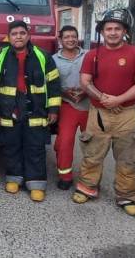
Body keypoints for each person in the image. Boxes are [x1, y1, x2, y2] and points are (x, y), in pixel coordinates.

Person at [75, 10, 135, 217]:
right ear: (102, 32)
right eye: (108, 28)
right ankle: (87, 188)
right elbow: (85, 81)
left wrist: (119, 99)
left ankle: (127, 196)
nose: (113, 32)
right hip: (99, 112)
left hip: (127, 113)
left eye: (117, 28)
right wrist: (104, 99)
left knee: (128, 156)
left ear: (125, 31)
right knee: (93, 153)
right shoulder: (92, 55)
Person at [0, 20, 62, 202]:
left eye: (22, 33)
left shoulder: (43, 56)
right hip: (8, 110)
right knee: (11, 146)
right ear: (9, 37)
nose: (18, 36)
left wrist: (53, 109)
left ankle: (36, 183)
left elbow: (54, 85)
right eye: (14, 34)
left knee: (35, 147)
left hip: (35, 109)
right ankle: (14, 178)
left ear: (28, 35)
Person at [51, 25, 90, 190]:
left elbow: (98, 77)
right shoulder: (53, 59)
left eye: (73, 36)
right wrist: (64, 94)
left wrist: (86, 92)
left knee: (93, 144)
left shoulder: (89, 56)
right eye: (66, 37)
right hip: (67, 106)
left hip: (90, 105)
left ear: (77, 38)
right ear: (61, 40)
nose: (70, 39)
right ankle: (65, 176)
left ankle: (90, 178)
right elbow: (51, 84)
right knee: (65, 142)